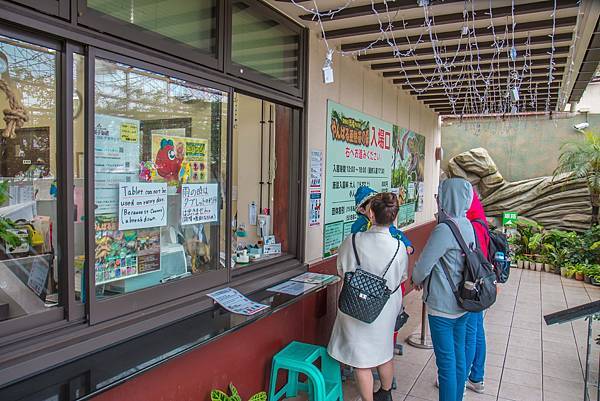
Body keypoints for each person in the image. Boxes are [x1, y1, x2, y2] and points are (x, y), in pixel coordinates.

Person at [328, 193, 408, 401]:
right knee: (383, 350)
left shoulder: (353, 240)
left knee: (361, 360)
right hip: (386, 306)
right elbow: (401, 277)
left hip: (356, 305)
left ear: (371, 214)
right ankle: (385, 393)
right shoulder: (399, 247)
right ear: (394, 216)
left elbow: (342, 270)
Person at [411, 178, 475, 401]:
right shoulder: (468, 225)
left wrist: (416, 279)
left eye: (440, 195)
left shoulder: (444, 229)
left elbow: (423, 266)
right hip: (463, 303)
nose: (438, 200)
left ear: (447, 198)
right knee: (458, 358)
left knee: (446, 364)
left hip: (442, 306)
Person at [464, 189, 489, 394]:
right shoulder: (480, 220)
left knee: (471, 332)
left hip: (471, 287)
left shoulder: (470, 226)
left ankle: (462, 377)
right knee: (477, 330)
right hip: (480, 286)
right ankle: (476, 377)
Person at [351, 186, 414, 254]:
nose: (379, 207)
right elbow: (353, 244)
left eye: (378, 204)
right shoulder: (357, 226)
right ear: (362, 210)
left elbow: (396, 233)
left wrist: (407, 244)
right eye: (374, 205)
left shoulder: (384, 220)